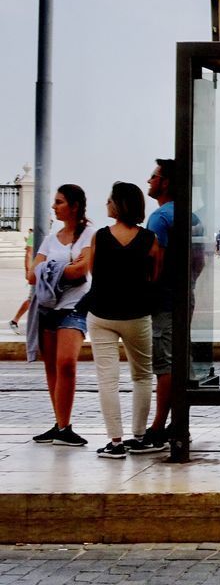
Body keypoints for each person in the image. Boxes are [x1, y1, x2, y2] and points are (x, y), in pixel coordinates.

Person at [80, 182, 163, 459]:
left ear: (117, 205)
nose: (106, 204)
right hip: (137, 314)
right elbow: (155, 275)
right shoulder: (150, 239)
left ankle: (115, 442)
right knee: (142, 376)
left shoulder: (99, 237)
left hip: (102, 314)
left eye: (109, 199)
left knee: (107, 380)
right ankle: (139, 437)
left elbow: (93, 273)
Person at [26, 185, 93, 447]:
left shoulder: (89, 234)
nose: (54, 206)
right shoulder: (50, 239)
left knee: (66, 363)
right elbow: (32, 274)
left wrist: (49, 268)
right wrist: (64, 267)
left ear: (74, 206)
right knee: (51, 367)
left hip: (74, 307)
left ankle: (64, 426)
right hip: (47, 308)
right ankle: (61, 424)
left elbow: (82, 270)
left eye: (59, 202)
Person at [134, 160, 176, 455]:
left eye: (154, 176)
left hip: (163, 300)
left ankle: (158, 427)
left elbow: (155, 265)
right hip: (182, 297)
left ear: (165, 183)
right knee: (173, 361)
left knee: (164, 364)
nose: (149, 181)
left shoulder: (159, 218)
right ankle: (171, 421)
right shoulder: (188, 215)